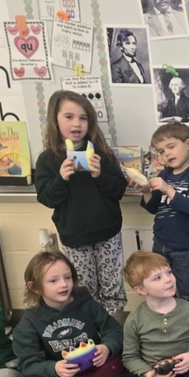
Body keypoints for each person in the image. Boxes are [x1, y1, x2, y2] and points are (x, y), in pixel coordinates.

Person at [35, 90, 127, 314]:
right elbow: (46, 197)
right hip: (75, 237)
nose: (77, 123)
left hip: (108, 233)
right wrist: (62, 178)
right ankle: (92, 338)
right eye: (69, 117)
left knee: (113, 288)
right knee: (84, 290)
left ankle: (115, 339)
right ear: (55, 119)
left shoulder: (101, 154)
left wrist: (100, 175)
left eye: (83, 118)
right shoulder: (48, 159)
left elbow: (118, 190)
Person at [12, 251, 124, 377]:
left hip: (96, 364)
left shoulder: (87, 304)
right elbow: (27, 363)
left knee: (121, 360)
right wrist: (54, 368)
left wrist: (107, 347)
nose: (64, 284)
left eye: (68, 277)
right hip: (64, 373)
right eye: (53, 280)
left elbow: (113, 330)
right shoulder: (29, 321)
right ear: (35, 287)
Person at [139, 122, 189, 307]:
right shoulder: (164, 174)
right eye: (161, 151)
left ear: (188, 144)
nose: (166, 154)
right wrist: (146, 191)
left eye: (171, 147)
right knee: (160, 291)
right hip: (160, 245)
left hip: (185, 248)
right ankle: (168, 326)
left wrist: (168, 189)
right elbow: (153, 207)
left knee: (187, 292)